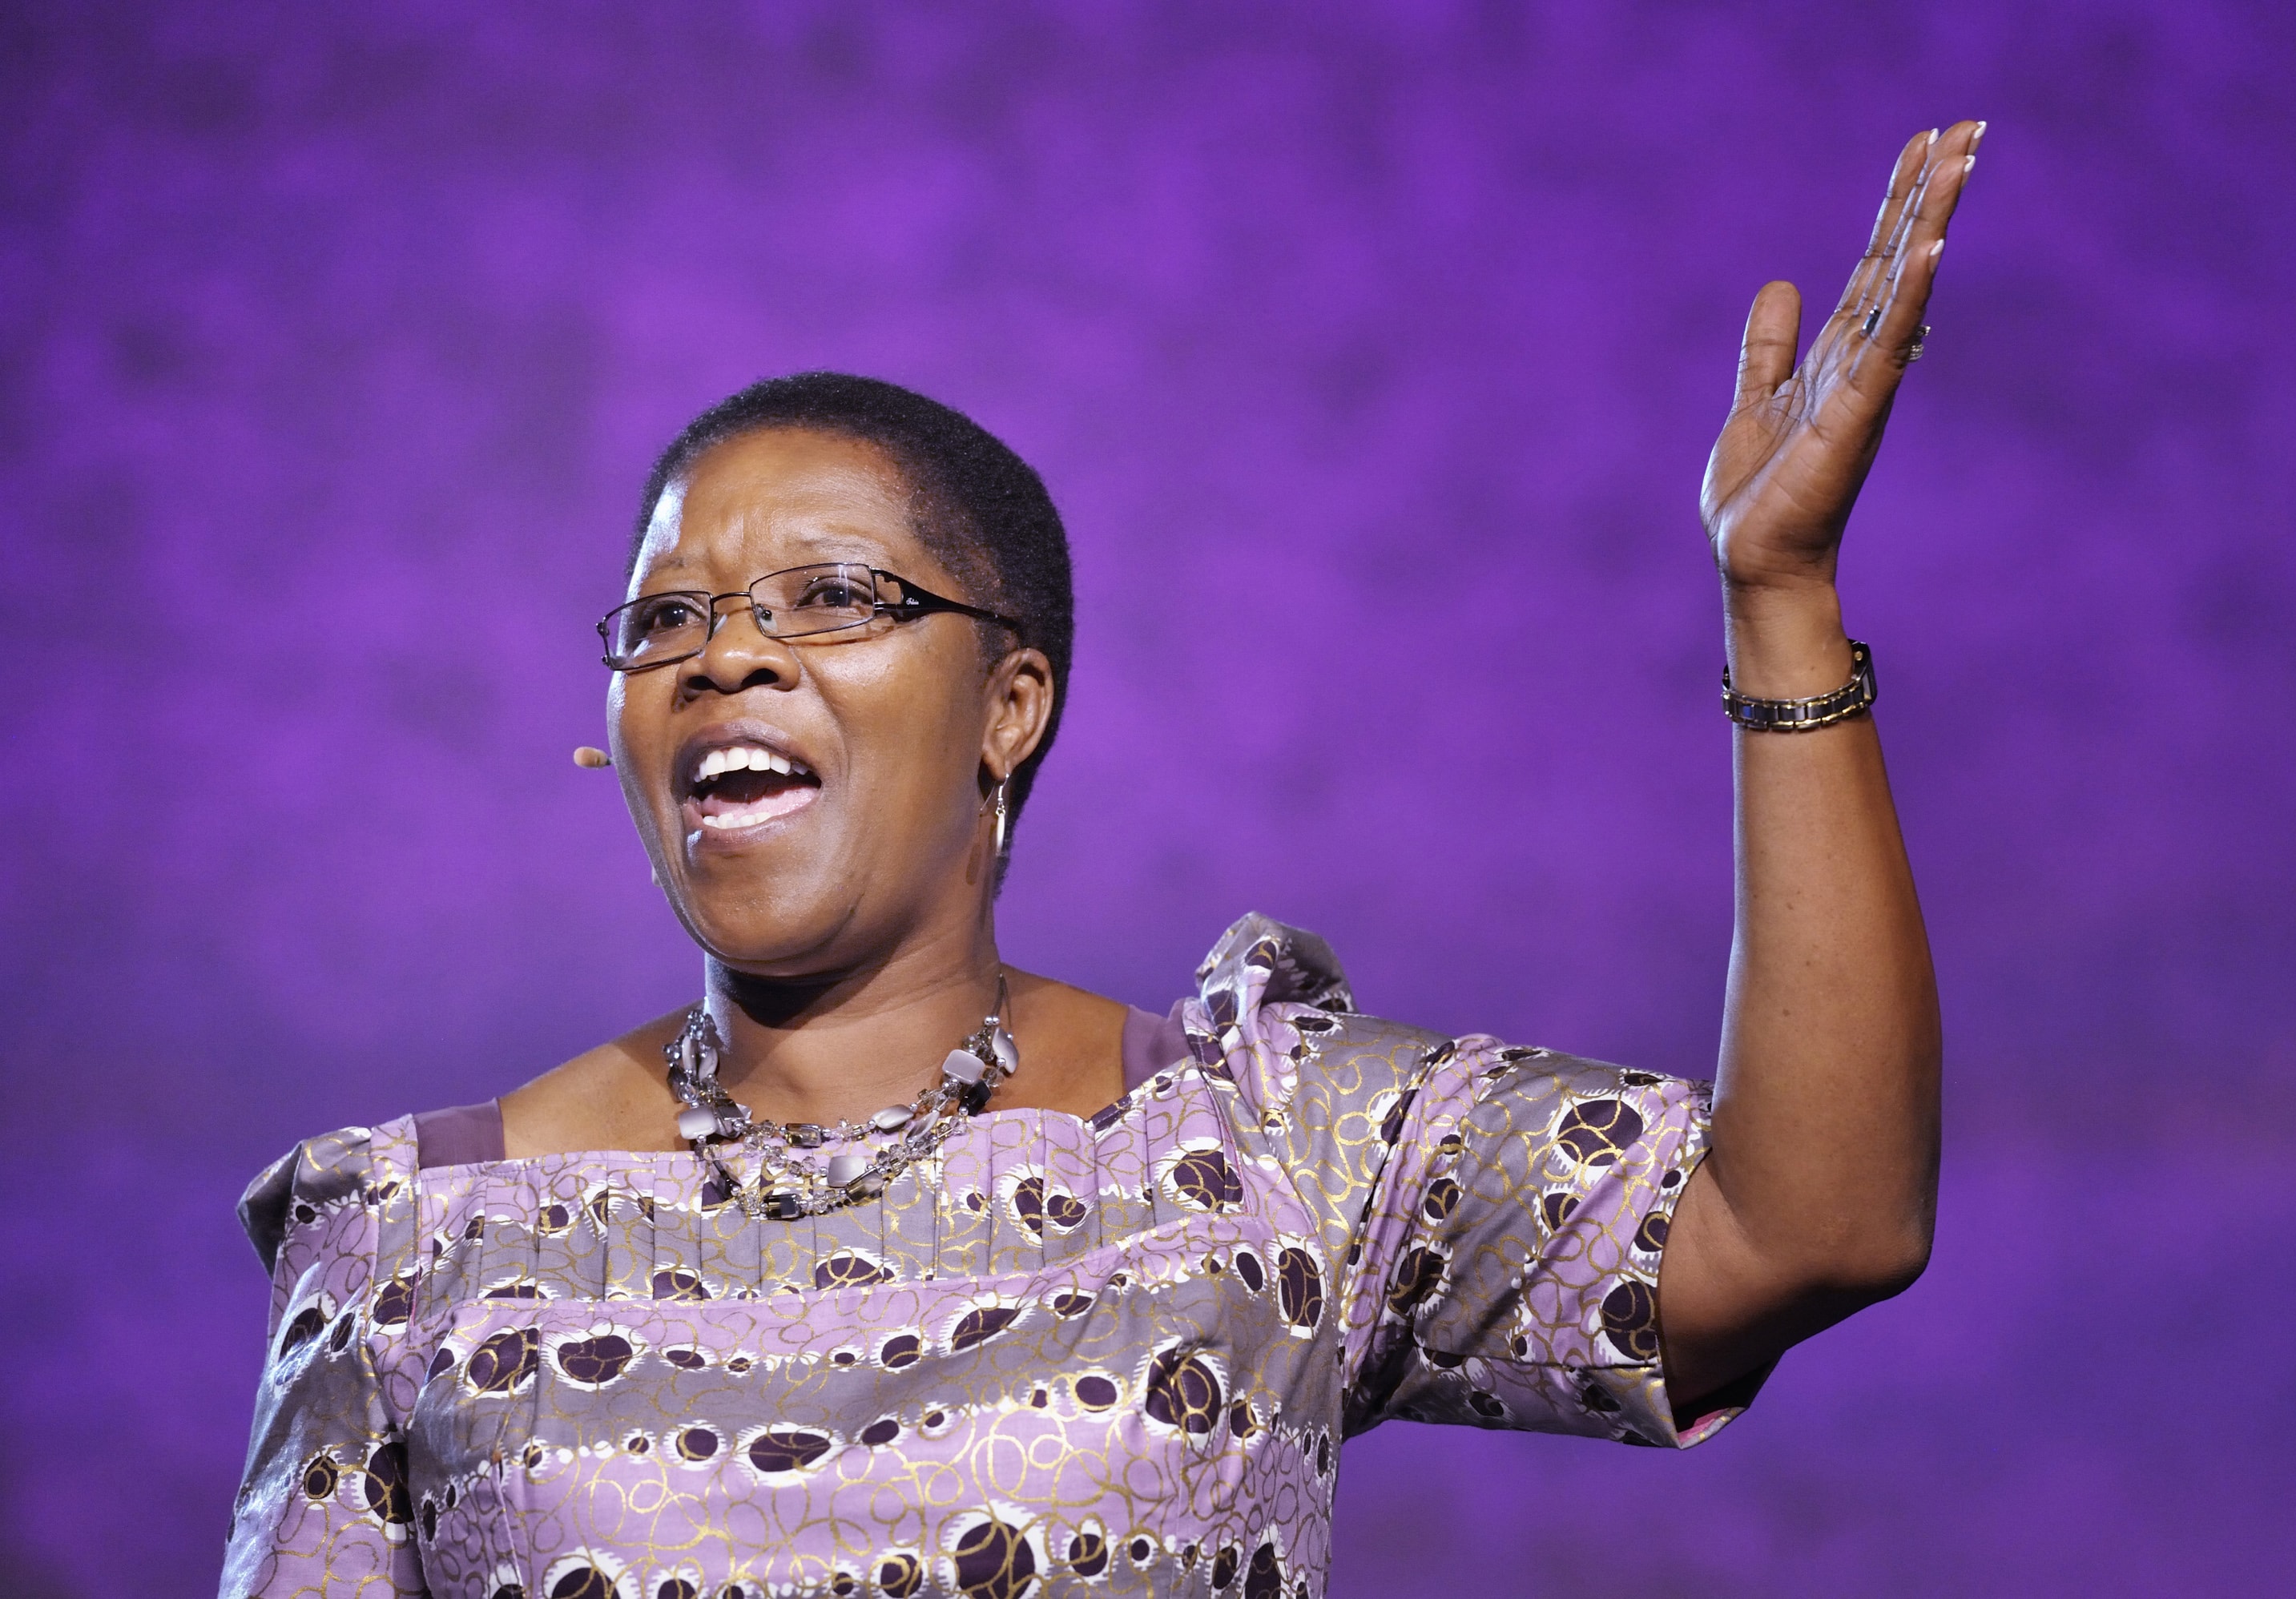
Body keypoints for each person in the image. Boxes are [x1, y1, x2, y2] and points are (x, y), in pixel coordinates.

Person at [221, 121, 1976, 1599]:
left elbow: (1809, 1216)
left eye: (832, 597)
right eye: (668, 614)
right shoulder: (414, 1241)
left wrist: (1783, 605)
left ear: (1010, 704)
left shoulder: (1261, 1145)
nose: (727, 653)